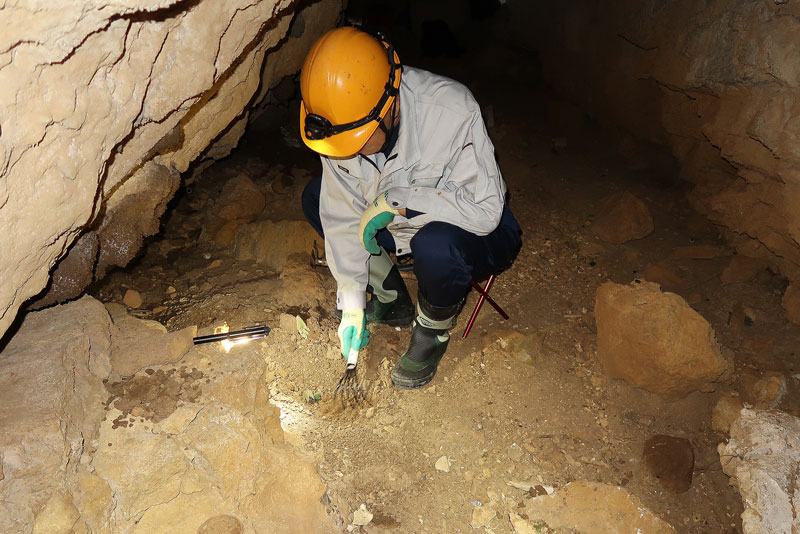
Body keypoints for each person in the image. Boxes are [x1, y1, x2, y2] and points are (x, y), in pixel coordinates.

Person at [300, 26, 521, 389]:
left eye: (357, 140)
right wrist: (352, 300)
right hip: (401, 232)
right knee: (316, 196)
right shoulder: (338, 123)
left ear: (392, 105)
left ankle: (431, 333)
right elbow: (341, 217)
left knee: (434, 245)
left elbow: (485, 213)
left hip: (478, 232)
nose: (349, 152)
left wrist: (399, 202)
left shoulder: (451, 109)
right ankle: (390, 297)